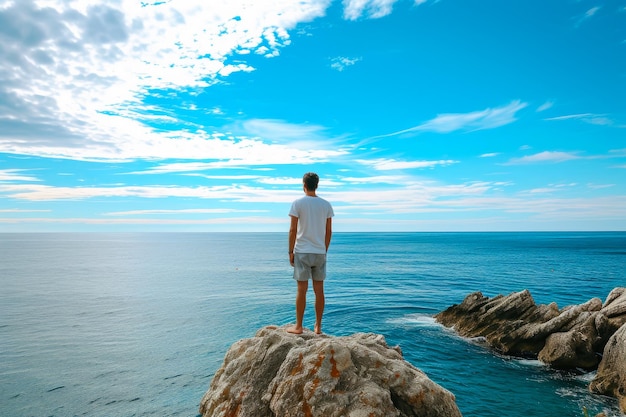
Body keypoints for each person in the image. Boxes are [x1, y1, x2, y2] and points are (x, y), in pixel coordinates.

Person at [286, 172, 334, 335]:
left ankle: (298, 326)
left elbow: (293, 230)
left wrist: (290, 251)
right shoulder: (326, 205)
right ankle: (318, 327)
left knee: (301, 289)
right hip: (319, 252)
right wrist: (324, 249)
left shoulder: (297, 203)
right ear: (317, 185)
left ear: (303, 185)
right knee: (319, 290)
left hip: (302, 251)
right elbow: (329, 231)